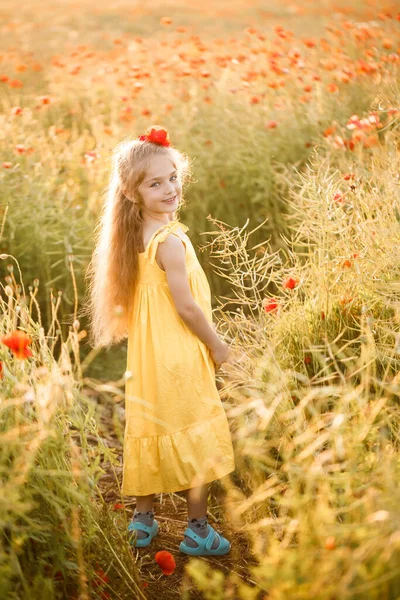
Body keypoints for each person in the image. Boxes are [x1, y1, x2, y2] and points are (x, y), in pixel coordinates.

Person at [83, 125, 236, 556]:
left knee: (150, 427)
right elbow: (187, 308)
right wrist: (218, 345)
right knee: (194, 431)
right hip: (181, 352)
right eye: (156, 183)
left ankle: (143, 520)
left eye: (173, 177)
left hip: (149, 357)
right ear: (133, 193)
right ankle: (198, 530)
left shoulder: (131, 237)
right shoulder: (169, 242)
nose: (170, 188)